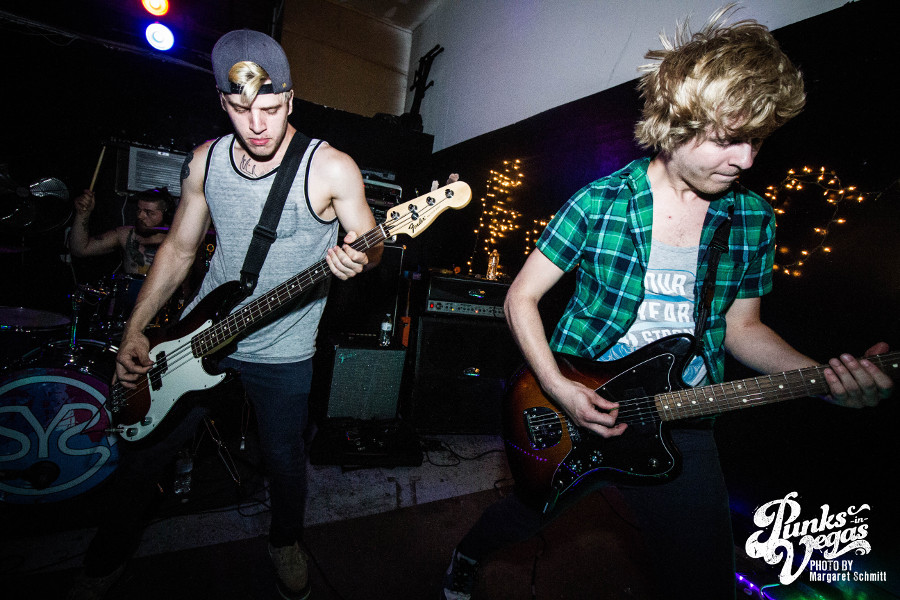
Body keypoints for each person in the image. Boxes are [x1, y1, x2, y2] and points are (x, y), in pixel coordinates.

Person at [442, 6, 893, 600]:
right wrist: (558, 386)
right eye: (728, 139)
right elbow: (520, 297)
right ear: (675, 124)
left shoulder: (751, 216)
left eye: (756, 140)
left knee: (703, 580)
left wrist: (823, 381)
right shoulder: (600, 201)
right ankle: (467, 554)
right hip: (579, 398)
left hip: (683, 414)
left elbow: (743, 328)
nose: (746, 160)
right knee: (527, 511)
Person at [69, 29, 380, 600]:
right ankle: (103, 562)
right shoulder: (204, 162)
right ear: (222, 102)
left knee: (284, 462)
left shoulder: (332, 168)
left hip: (285, 349)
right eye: (240, 108)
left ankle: (285, 541)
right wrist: (135, 328)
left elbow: (372, 242)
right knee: (145, 456)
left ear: (291, 100)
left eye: (271, 108)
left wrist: (358, 255)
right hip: (202, 333)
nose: (257, 124)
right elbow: (179, 249)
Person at [69, 187, 172, 275]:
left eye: (149, 212)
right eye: (139, 210)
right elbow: (80, 250)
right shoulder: (126, 234)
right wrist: (82, 214)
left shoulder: (176, 240)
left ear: (166, 215)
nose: (140, 216)